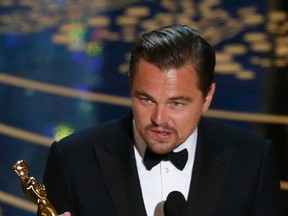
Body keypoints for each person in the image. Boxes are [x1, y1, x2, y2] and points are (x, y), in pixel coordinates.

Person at [43, 25, 283, 216]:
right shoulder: (73, 160)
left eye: (176, 104)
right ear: (130, 87)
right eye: (146, 100)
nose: (159, 119)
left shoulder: (252, 160)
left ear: (207, 97)